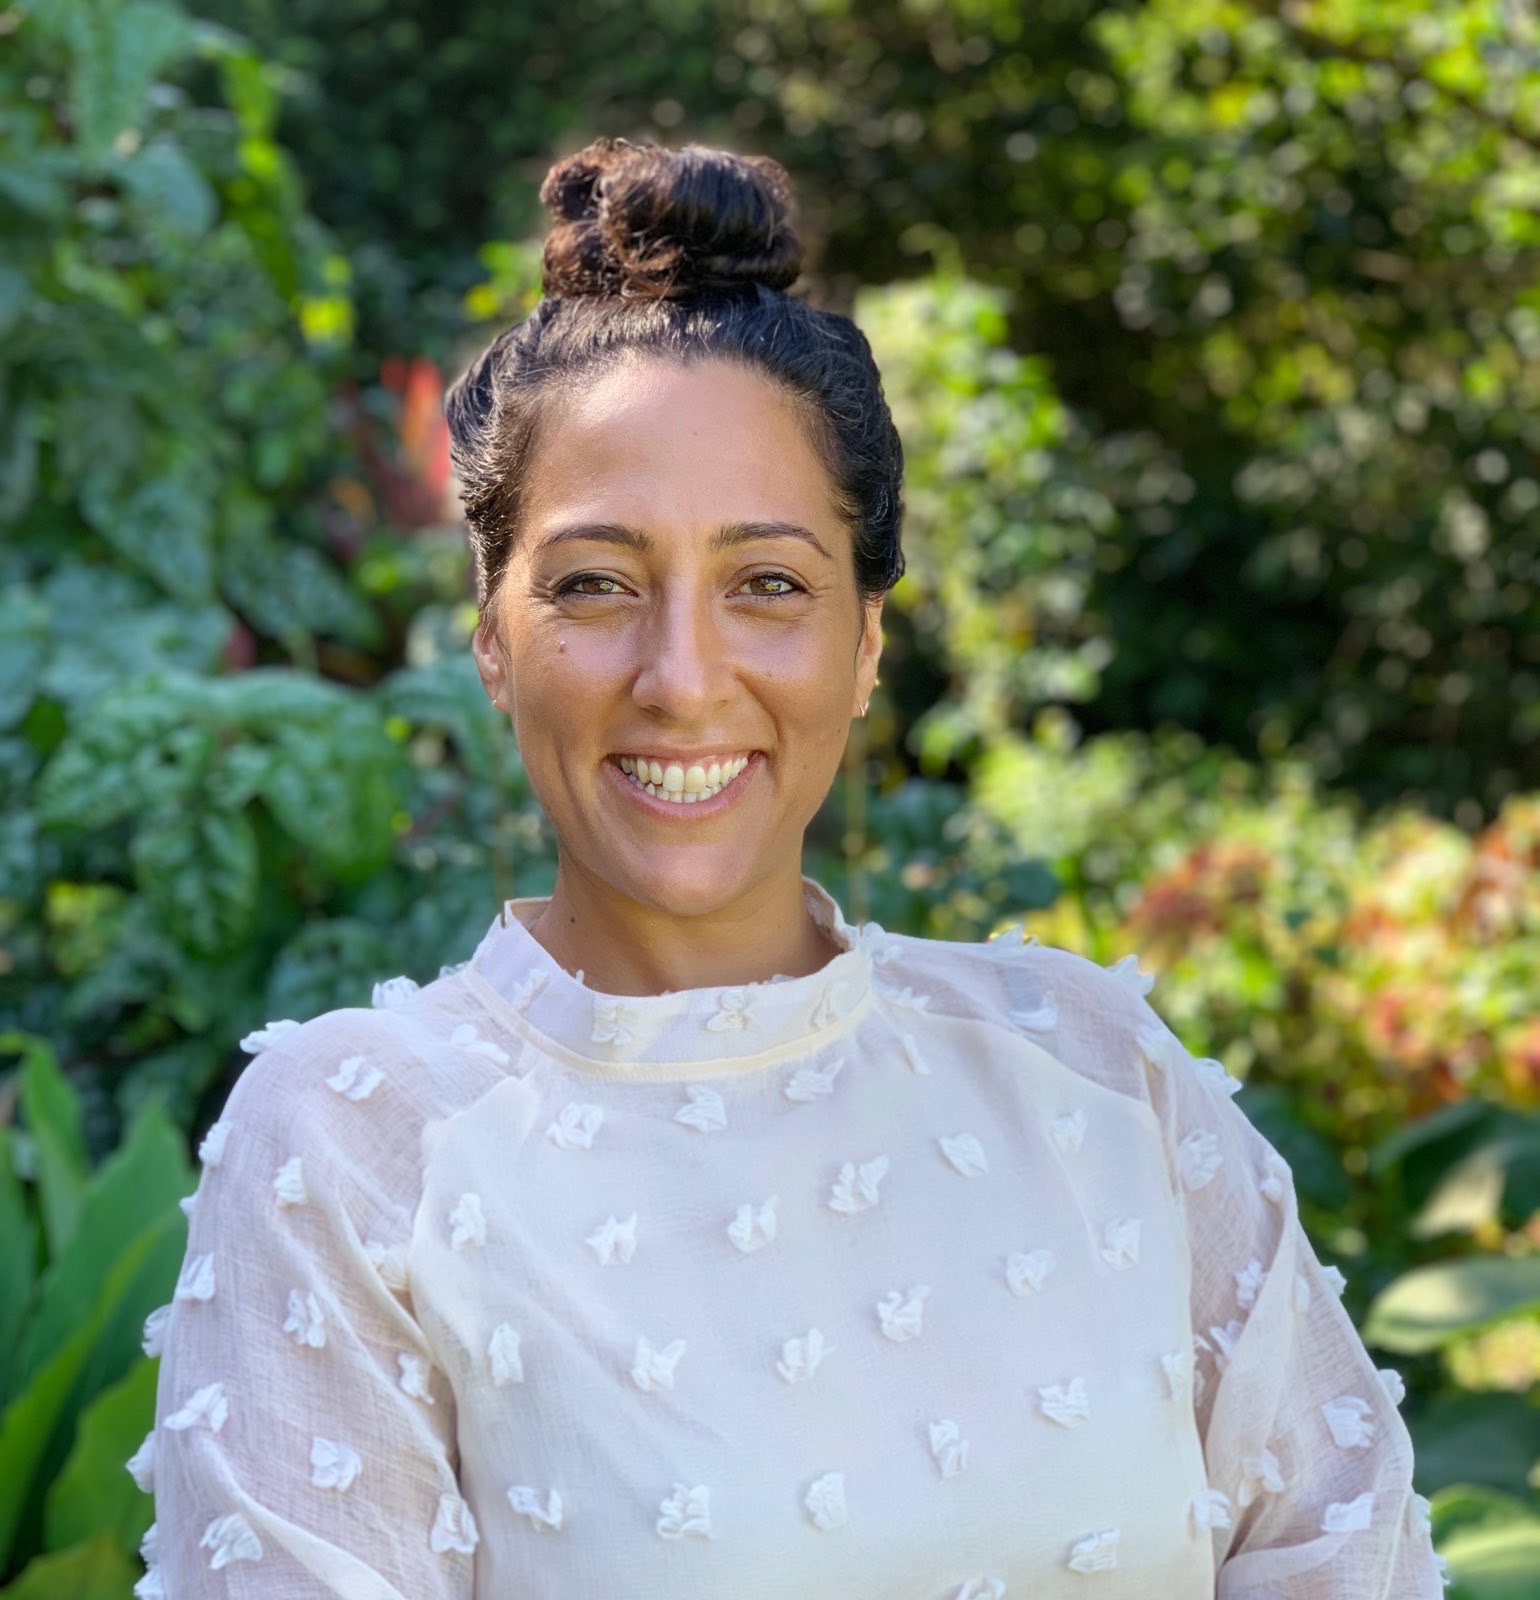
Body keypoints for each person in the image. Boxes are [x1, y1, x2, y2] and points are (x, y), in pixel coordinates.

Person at [133, 135, 1448, 1599]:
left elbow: (1349, 1555)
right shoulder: (357, 1145)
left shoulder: (1092, 1073)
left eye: (768, 584)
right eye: (595, 585)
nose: (684, 679)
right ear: (493, 639)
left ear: (866, 641)